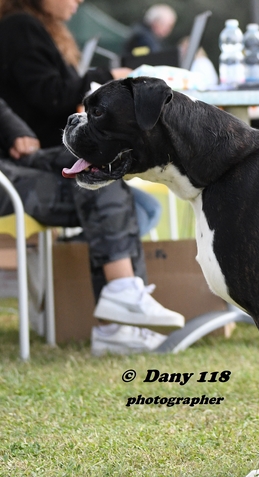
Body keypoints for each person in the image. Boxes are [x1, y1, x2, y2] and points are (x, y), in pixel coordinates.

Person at [0, 0, 184, 354]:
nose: (77, 1)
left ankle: (120, 310)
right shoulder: (19, 26)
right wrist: (105, 80)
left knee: (124, 193)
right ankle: (117, 314)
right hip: (12, 166)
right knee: (99, 174)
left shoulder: (37, 28)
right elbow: (51, 94)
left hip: (29, 155)